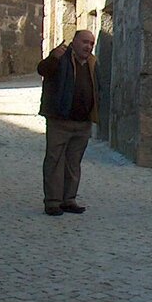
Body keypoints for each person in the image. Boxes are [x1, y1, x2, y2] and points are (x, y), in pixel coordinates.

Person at [37, 29, 98, 216]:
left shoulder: (93, 63)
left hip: (82, 122)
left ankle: (69, 199)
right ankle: (53, 201)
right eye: (85, 42)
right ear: (75, 42)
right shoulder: (61, 57)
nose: (88, 46)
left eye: (91, 43)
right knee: (54, 160)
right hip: (59, 119)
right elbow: (42, 70)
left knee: (73, 163)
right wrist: (53, 58)